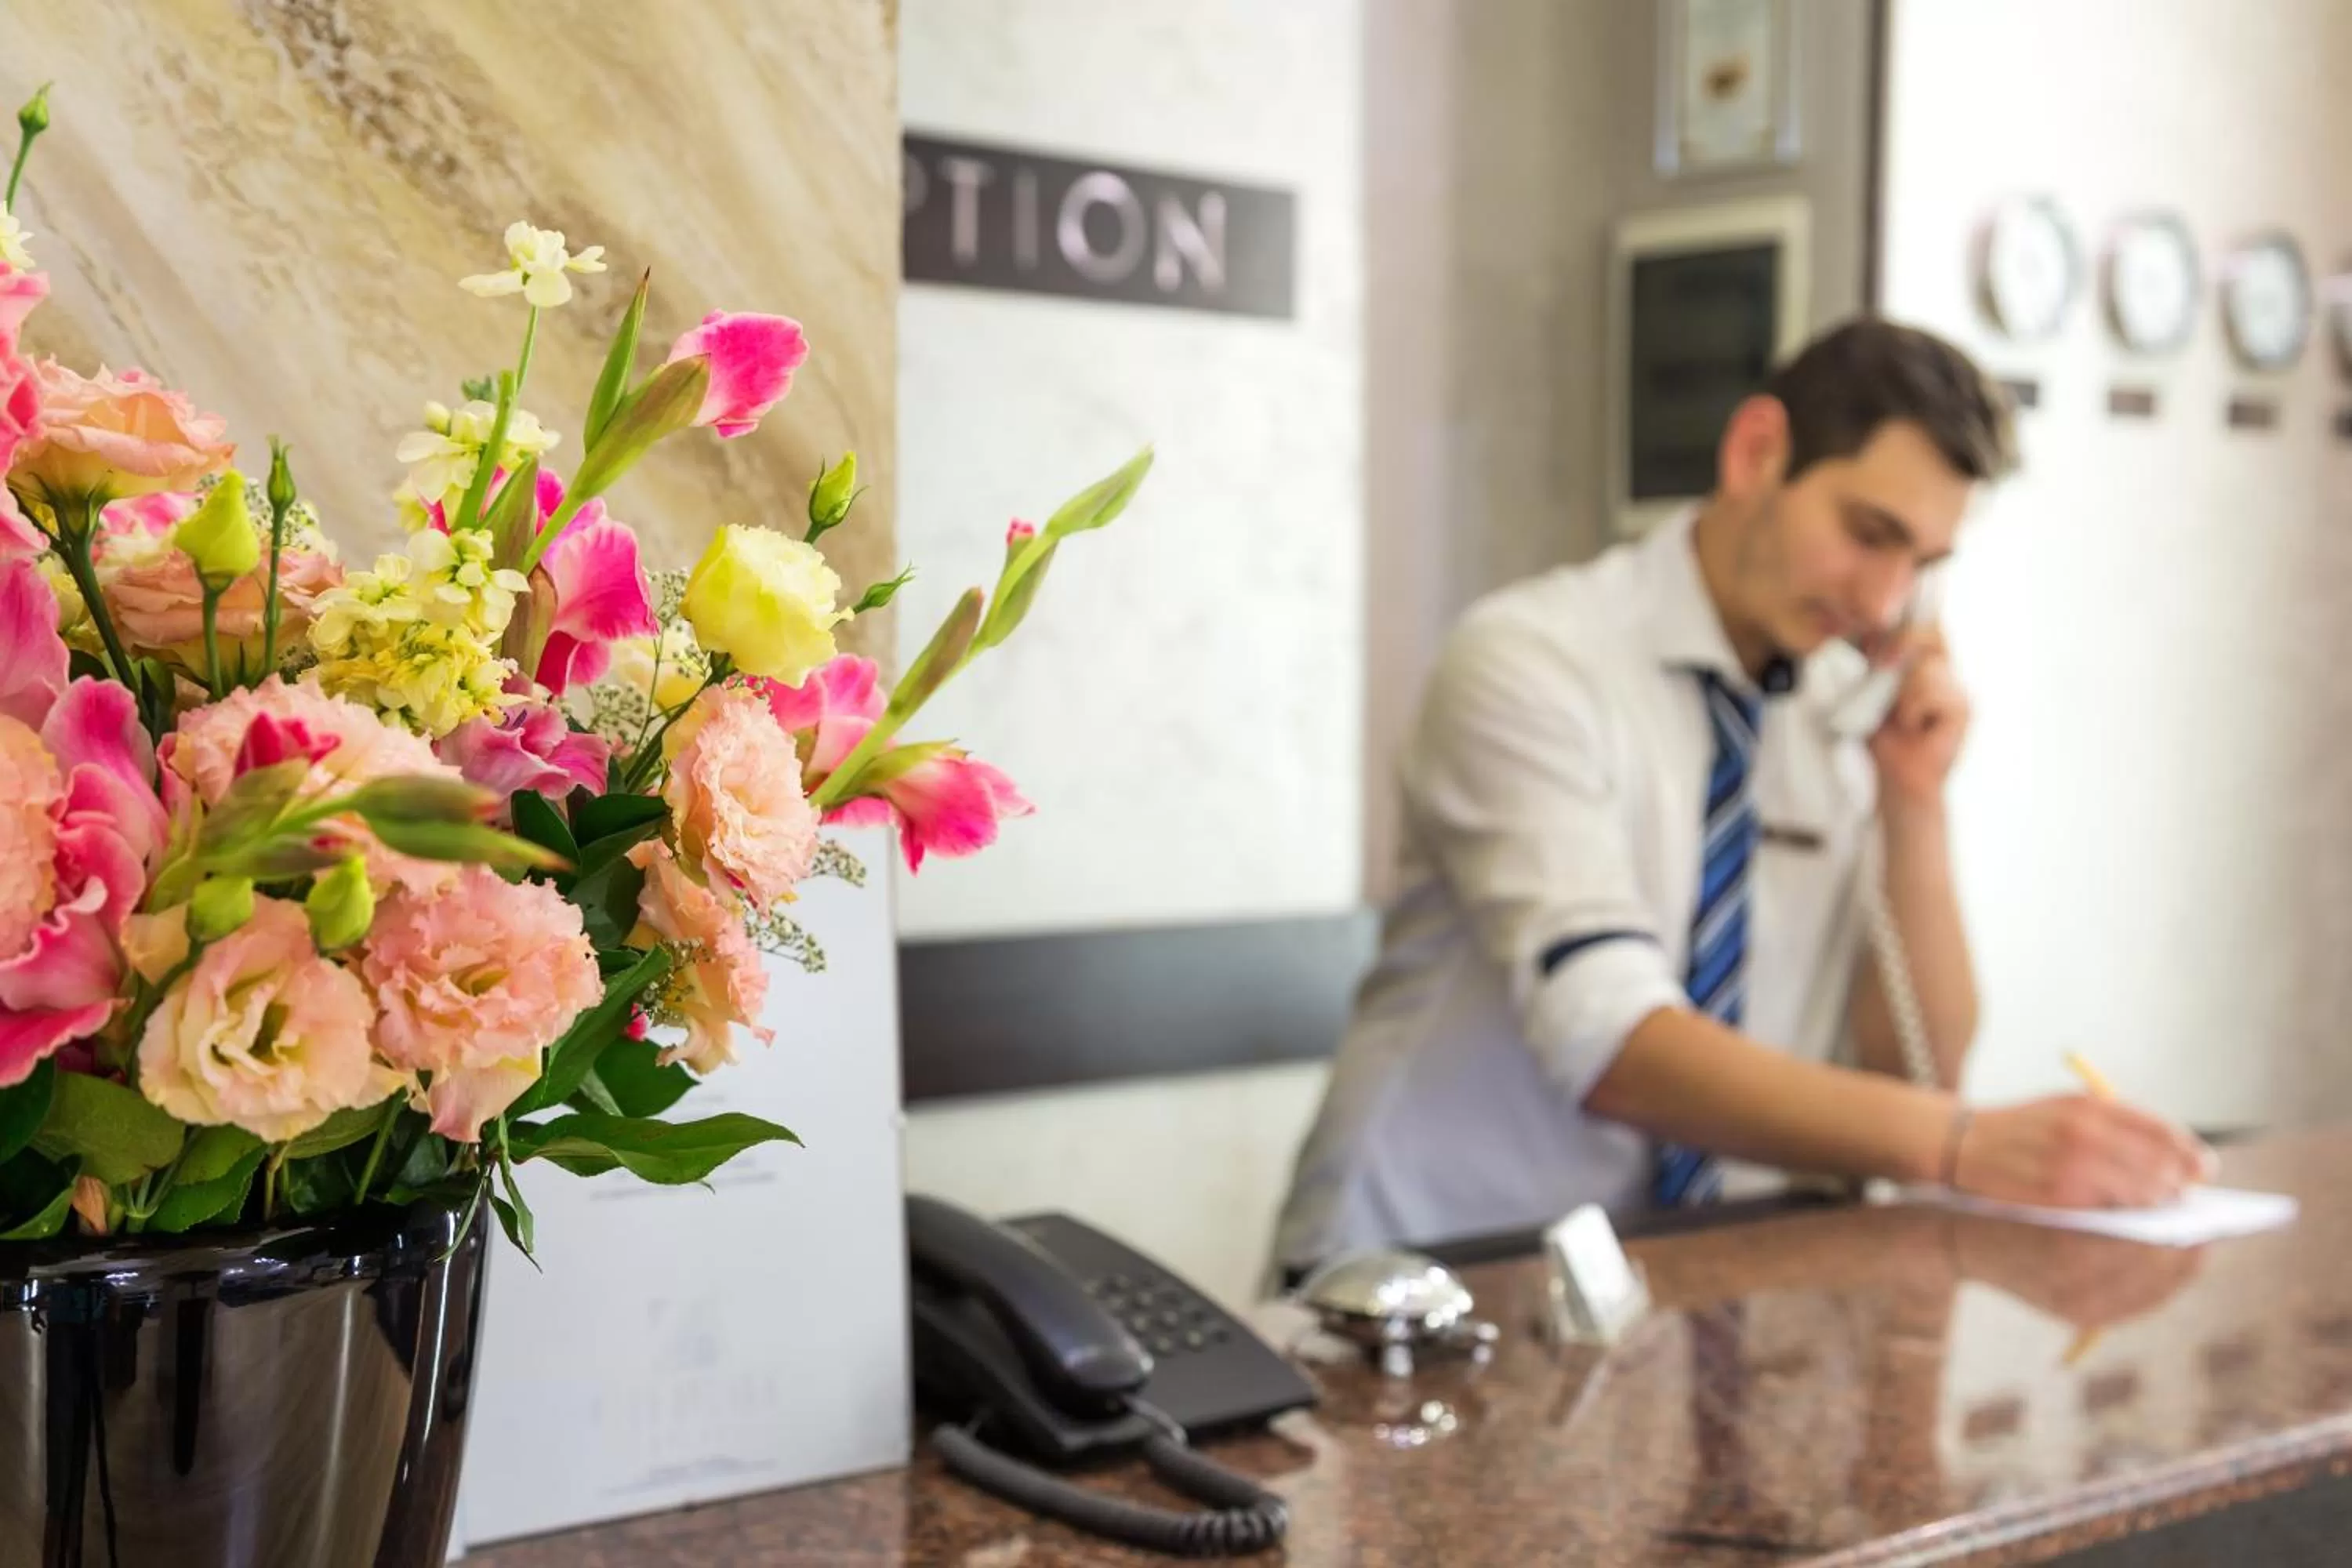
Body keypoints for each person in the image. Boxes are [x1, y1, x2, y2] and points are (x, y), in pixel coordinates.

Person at [1274, 318, 2212, 1272]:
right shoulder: (1530, 665)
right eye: (1867, 533)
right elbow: (1612, 1042)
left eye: (1922, 566)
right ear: (1756, 452)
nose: (1885, 601)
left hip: (1690, 1274)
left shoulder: (1845, 707)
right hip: (1438, 1267)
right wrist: (1962, 1142)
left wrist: (1913, 798)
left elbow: (1918, 1069)